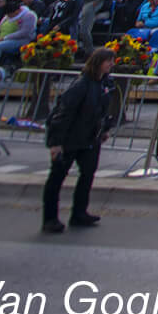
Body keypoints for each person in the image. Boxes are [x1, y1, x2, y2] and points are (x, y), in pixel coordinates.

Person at [42, 47, 117, 233]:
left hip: (90, 137)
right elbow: (63, 114)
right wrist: (56, 143)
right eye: (109, 61)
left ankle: (79, 212)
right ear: (98, 62)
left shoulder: (104, 83)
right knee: (57, 177)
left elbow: (102, 110)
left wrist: (105, 129)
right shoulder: (81, 85)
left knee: (87, 175)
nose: (112, 64)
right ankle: (50, 218)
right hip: (71, 137)